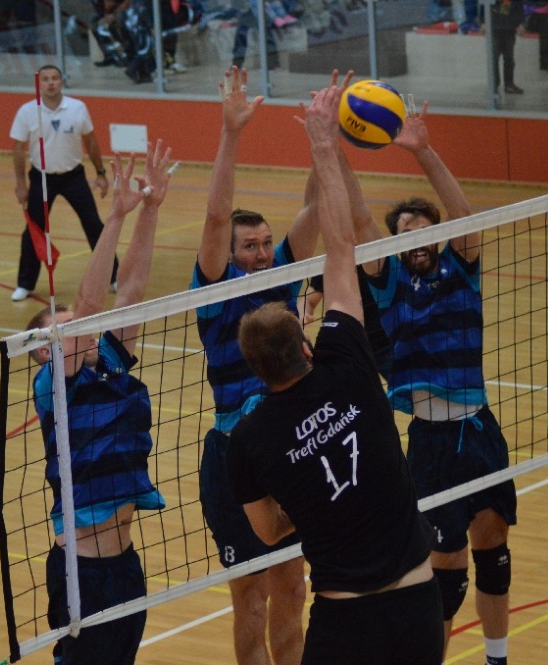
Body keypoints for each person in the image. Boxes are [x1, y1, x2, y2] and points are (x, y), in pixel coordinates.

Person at [226, 81, 443, 665]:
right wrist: (324, 143)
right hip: (417, 605)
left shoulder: (249, 439)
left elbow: (268, 531)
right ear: (307, 344)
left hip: (343, 620)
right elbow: (342, 246)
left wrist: (309, 499)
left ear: (256, 370)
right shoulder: (349, 365)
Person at [352, 102, 516, 665]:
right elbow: (359, 221)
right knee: (445, 570)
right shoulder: (388, 283)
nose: (415, 238)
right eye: (405, 233)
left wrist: (423, 150)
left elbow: (463, 212)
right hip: (427, 441)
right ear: (395, 245)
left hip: (478, 430)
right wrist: (334, 151)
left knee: (493, 548)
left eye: (424, 231)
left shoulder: (460, 269)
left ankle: (497, 658)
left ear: (439, 237)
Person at [26, 142, 173, 665]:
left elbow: (129, 290)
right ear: (44, 350)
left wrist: (150, 208)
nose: (80, 327)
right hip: (80, 571)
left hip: (125, 566)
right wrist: (114, 217)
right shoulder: (54, 384)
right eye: (65, 327)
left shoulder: (109, 359)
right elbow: (92, 303)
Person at [190, 65, 316, 665]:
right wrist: (231, 132)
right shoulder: (215, 290)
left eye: (266, 242)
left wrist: (328, 141)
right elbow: (216, 218)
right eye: (251, 246)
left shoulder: (284, 275)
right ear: (231, 252)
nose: (262, 253)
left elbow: (316, 208)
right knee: (252, 600)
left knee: (293, 589)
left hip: (288, 446)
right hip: (233, 456)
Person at [10, 64, 118, 302]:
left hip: (73, 177)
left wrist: (100, 173)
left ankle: (113, 276)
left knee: (94, 224)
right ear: (39, 84)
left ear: (61, 81)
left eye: (55, 78)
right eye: (46, 79)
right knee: (33, 230)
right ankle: (25, 284)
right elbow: (18, 149)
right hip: (41, 178)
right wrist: (21, 184)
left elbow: (91, 141)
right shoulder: (27, 111)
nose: (51, 83)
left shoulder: (77, 108)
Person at [490, 0, 524, 95]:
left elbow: (519, 6)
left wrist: (520, 23)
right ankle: (494, 85)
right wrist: (483, 21)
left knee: (509, 59)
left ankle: (509, 84)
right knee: (494, 59)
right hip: (495, 27)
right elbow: (484, 6)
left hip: (509, 28)